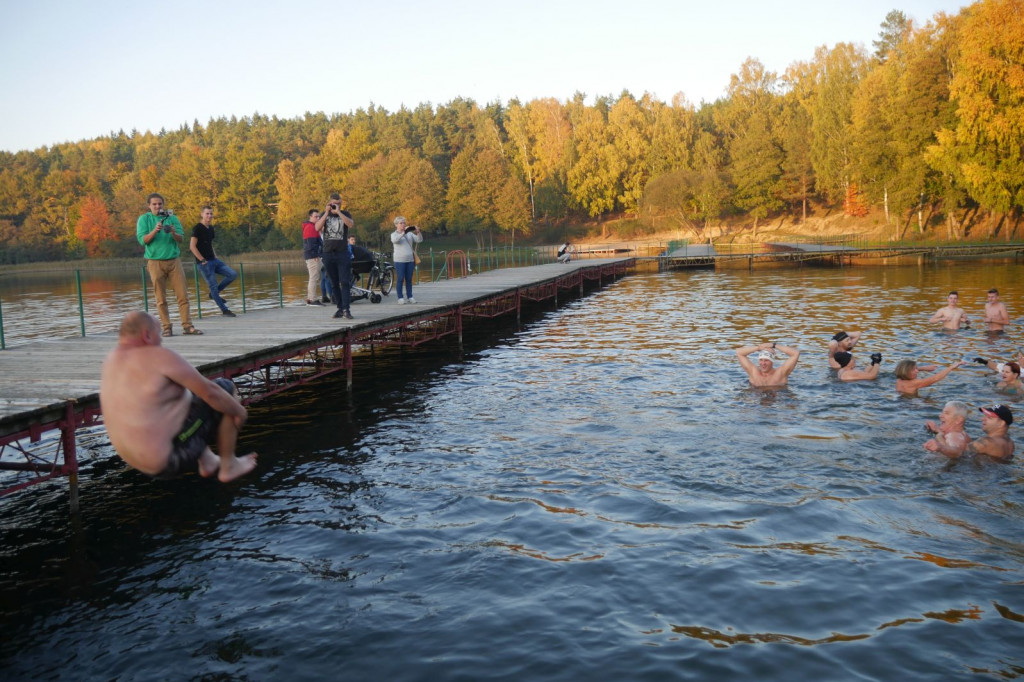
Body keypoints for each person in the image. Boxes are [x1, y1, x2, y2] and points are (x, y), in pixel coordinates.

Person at [100, 311, 257, 482]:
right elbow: (212, 394)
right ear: (147, 335)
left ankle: (208, 460)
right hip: (170, 459)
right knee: (224, 389)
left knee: (179, 394)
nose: (161, 341)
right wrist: (240, 412)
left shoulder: (110, 360)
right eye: (159, 334)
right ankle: (229, 466)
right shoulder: (158, 356)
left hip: (135, 461)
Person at [136, 193, 202, 337]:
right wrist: (155, 230)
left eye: (160, 204)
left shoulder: (172, 218)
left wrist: (172, 231)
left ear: (163, 205)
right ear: (149, 206)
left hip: (174, 261)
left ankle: (187, 326)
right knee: (160, 298)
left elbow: (180, 239)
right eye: (154, 204)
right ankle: (167, 327)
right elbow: (143, 240)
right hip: (154, 262)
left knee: (182, 295)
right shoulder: (144, 219)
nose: (157, 206)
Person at [189, 206, 237, 317]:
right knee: (213, 286)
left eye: (211, 213)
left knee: (232, 274)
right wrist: (202, 260)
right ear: (202, 214)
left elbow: (210, 243)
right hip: (204, 263)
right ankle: (225, 310)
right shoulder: (197, 228)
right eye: (207, 213)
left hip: (214, 260)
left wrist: (215, 256)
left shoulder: (211, 228)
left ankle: (214, 294)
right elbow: (192, 246)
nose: (209, 216)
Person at [316, 193, 354, 319]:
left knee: (345, 282)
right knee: (333, 283)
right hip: (328, 253)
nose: (336, 205)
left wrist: (338, 212)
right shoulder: (324, 214)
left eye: (339, 204)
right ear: (329, 203)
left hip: (342, 253)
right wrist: (326, 213)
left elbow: (350, 224)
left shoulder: (345, 214)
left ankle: (346, 309)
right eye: (334, 203)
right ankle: (340, 308)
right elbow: (317, 227)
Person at [735, 342, 800, 387]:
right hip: (756, 403)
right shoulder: (753, 372)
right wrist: (758, 348)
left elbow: (795, 353)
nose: (763, 363)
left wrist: (773, 345)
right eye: (761, 360)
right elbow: (739, 352)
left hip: (775, 403)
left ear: (772, 361)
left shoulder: (780, 373)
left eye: (766, 360)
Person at [391, 216, 423, 304]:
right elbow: (395, 241)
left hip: (410, 260)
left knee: (409, 279)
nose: (403, 224)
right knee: (400, 278)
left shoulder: (410, 234)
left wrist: (418, 232)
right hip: (399, 261)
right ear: (396, 225)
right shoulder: (394, 234)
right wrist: (403, 233)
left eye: (404, 223)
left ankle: (410, 296)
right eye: (401, 223)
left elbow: (419, 240)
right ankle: (400, 297)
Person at [894, 359, 964, 394]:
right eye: (914, 369)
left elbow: (904, 370)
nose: (917, 371)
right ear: (907, 371)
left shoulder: (899, 380)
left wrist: (924, 368)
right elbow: (936, 378)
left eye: (916, 368)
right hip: (912, 404)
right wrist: (952, 367)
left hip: (901, 400)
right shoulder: (914, 383)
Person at [302, 209, 323, 306]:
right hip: (312, 256)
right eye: (316, 216)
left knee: (313, 277)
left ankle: (310, 298)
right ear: (310, 217)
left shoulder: (312, 227)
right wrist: (315, 255)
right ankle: (313, 299)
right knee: (314, 278)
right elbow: (310, 244)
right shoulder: (310, 227)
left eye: (319, 216)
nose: (318, 218)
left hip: (311, 255)